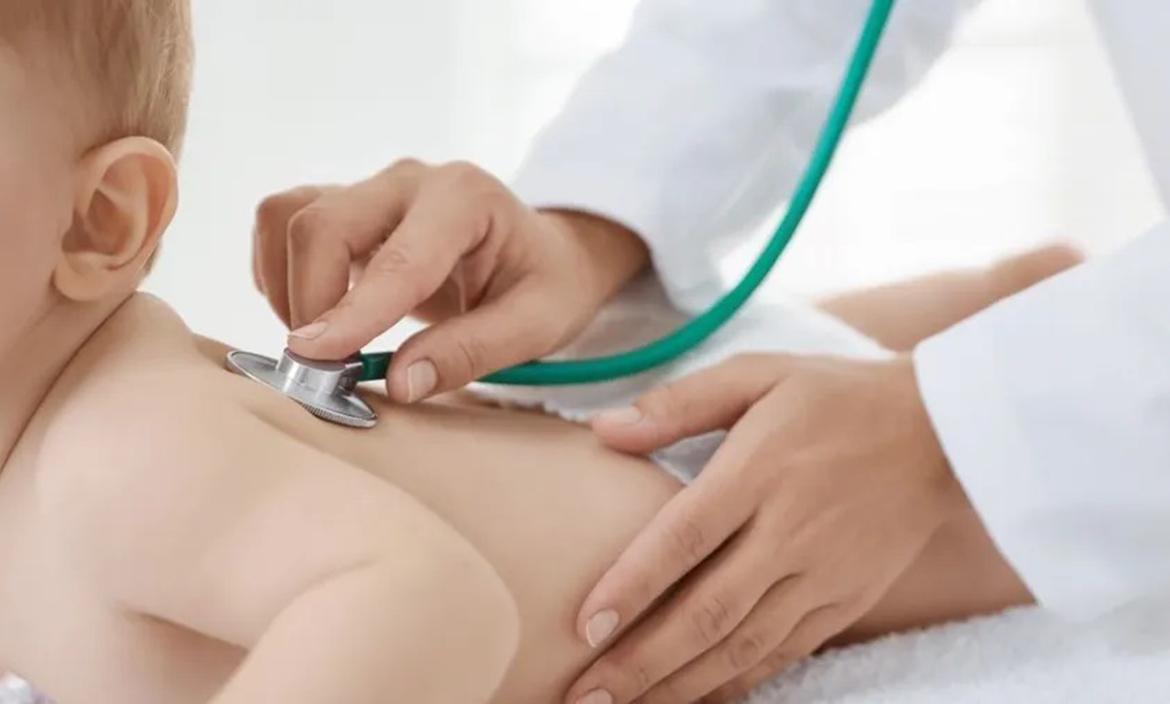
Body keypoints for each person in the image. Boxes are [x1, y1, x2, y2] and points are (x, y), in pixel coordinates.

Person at [0, 2, 1082, 702]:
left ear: (101, 221)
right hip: (600, 403)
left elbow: (432, 601)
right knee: (776, 358)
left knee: (1024, 480)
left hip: (717, 493)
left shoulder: (116, 458)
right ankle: (1004, 297)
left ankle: (1040, 321)